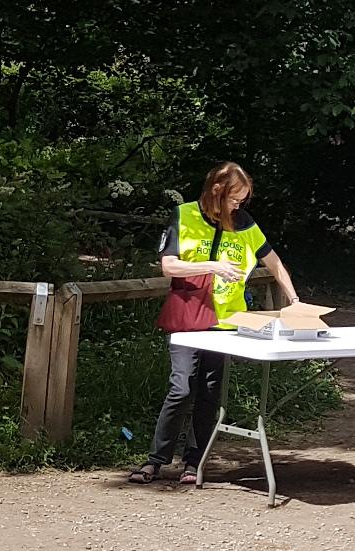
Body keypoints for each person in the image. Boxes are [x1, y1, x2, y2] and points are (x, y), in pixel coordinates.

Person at [129, 162, 301, 485]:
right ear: (217, 192)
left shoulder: (245, 223)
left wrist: (295, 301)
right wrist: (212, 267)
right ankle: (156, 459)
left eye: (243, 201)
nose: (239, 206)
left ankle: (195, 462)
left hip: (225, 324)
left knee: (209, 393)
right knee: (181, 387)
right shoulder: (184, 215)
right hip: (188, 317)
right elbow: (168, 266)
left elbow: (275, 264)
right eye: (235, 199)